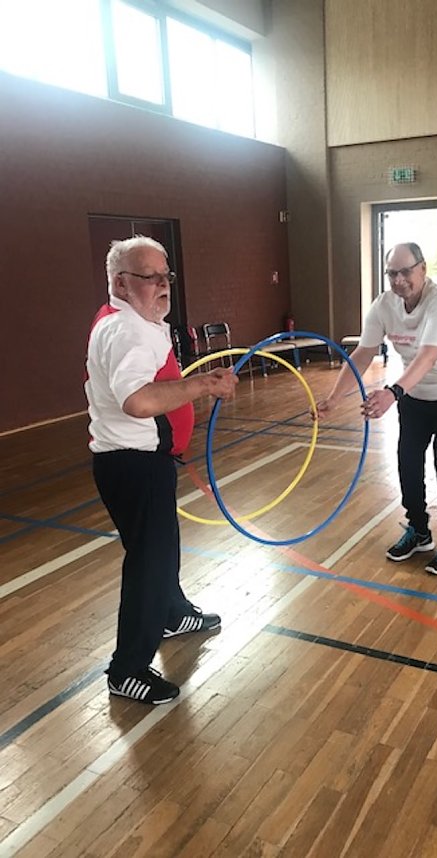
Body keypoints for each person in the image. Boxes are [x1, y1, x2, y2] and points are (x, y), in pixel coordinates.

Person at [85, 236, 237, 705]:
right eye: (149, 277)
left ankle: (171, 613)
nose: (162, 285)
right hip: (134, 465)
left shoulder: (132, 320)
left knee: (160, 552)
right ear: (120, 283)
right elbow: (138, 400)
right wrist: (203, 385)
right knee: (149, 565)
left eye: (165, 275)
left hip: (140, 463)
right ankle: (127, 669)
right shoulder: (126, 330)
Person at [318, 242, 437, 576]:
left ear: (422, 269)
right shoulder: (383, 306)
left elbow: (428, 355)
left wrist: (393, 393)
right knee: (407, 458)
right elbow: (363, 353)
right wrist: (335, 397)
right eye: (392, 273)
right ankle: (419, 531)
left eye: (405, 271)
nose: (398, 280)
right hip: (416, 392)